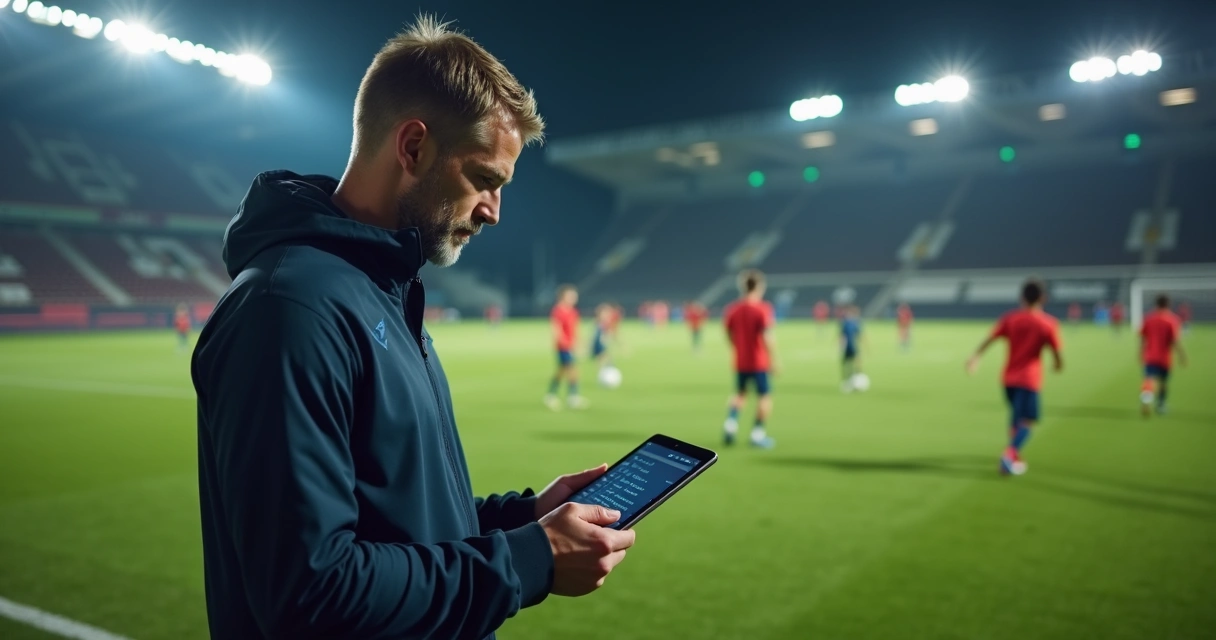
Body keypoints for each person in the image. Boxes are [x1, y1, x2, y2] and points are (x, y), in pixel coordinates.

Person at [192, 18, 635, 640]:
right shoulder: (289, 308)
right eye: (484, 179)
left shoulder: (383, 289)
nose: (494, 211)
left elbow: (405, 516)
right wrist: (527, 560)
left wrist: (526, 519)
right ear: (413, 148)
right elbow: (311, 594)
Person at [966, 279, 1063, 476]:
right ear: (1043, 298)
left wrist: (975, 357)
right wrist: (1057, 364)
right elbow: (1056, 352)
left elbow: (990, 339)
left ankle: (1015, 456)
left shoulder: (1011, 319)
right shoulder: (1047, 323)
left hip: (1008, 379)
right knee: (1028, 422)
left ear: (1022, 297)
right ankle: (1009, 454)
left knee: (1017, 418)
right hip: (1029, 379)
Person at [722, 269, 777, 449]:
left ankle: (730, 424)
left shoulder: (733, 309)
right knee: (764, 397)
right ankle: (757, 434)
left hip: (741, 360)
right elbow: (767, 336)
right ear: (760, 286)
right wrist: (774, 359)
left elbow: (728, 333)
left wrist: (737, 348)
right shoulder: (762, 308)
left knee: (740, 394)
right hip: (759, 361)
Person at [1139, 294, 1187, 416]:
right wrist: (1182, 356)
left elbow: (1143, 338)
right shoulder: (1172, 320)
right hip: (1165, 357)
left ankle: (1146, 399)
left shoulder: (1149, 318)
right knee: (1163, 382)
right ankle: (1161, 405)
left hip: (1150, 355)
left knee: (1149, 378)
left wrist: (1140, 352)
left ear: (1156, 304)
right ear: (1168, 305)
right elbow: (1175, 341)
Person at [546, 285, 588, 410]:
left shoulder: (573, 311)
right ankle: (573, 398)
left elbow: (575, 329)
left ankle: (551, 395)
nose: (574, 298)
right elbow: (556, 330)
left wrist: (580, 343)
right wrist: (567, 344)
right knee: (573, 371)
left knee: (561, 371)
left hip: (571, 345)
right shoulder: (558, 311)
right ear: (562, 297)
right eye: (571, 296)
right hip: (563, 347)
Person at [840, 305, 864, 390]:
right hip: (849, 347)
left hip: (852, 347)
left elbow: (859, 335)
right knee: (848, 363)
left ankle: (855, 378)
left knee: (853, 363)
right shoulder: (848, 323)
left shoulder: (852, 323)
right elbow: (842, 335)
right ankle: (850, 379)